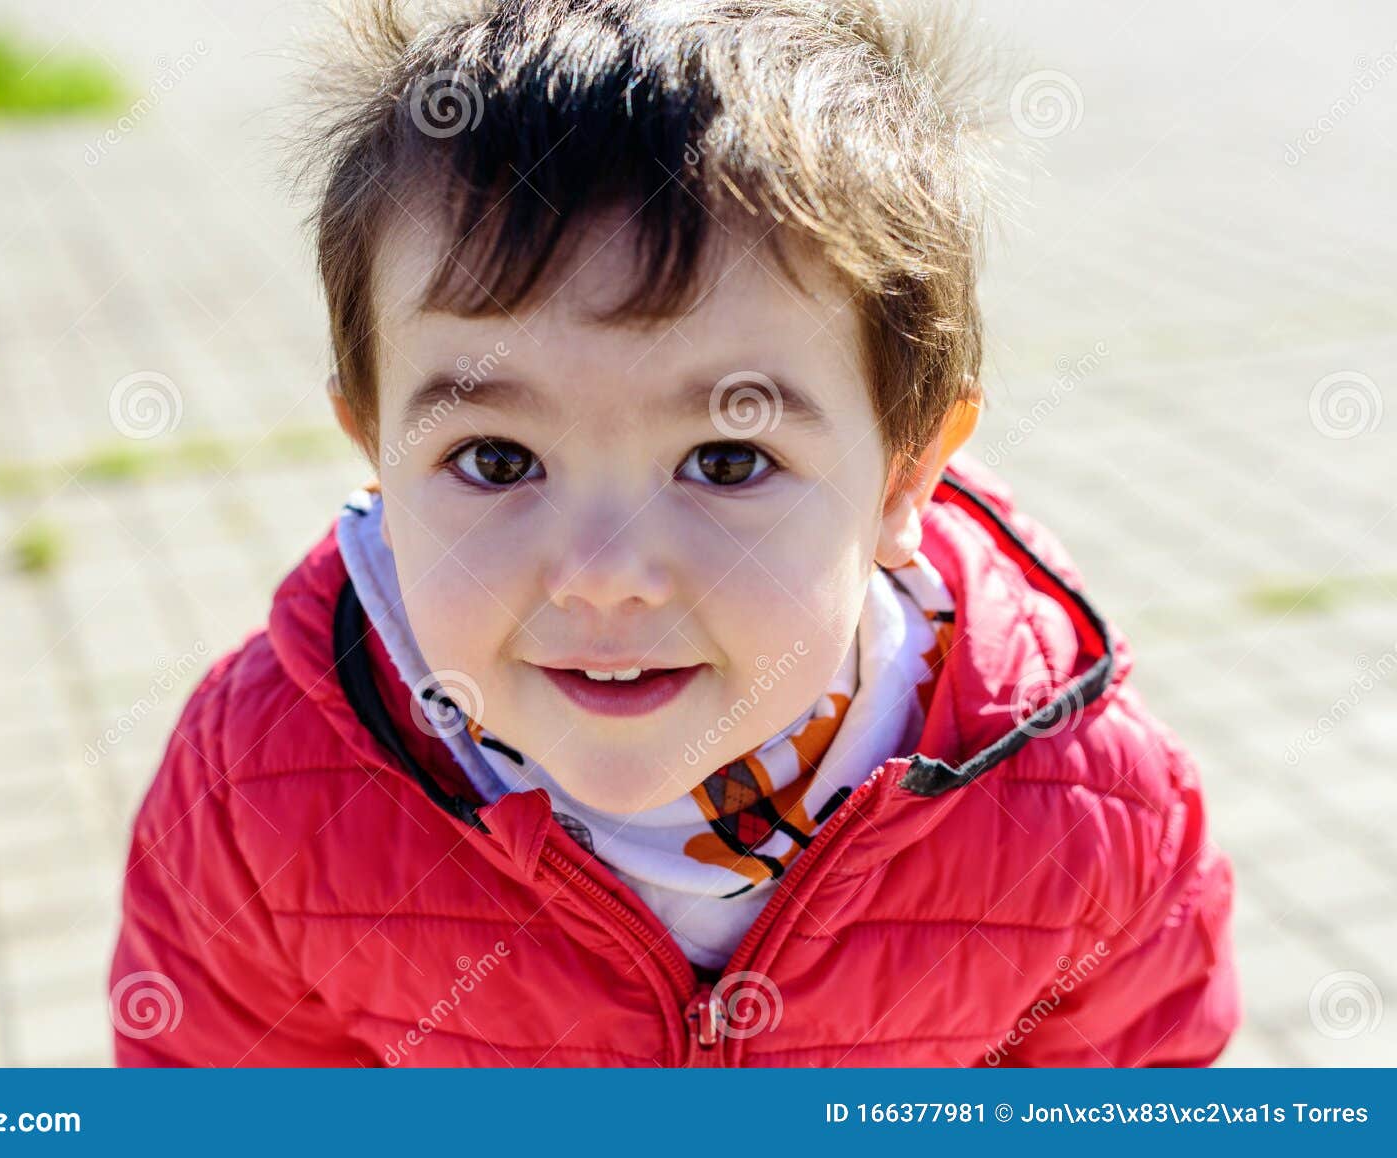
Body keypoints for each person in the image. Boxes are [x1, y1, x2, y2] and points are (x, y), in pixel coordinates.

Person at [109, 0, 1238, 1066]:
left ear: (906, 480)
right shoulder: (263, 793)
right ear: (375, 451)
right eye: (495, 460)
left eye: (728, 461)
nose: (603, 577)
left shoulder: (1078, 809)